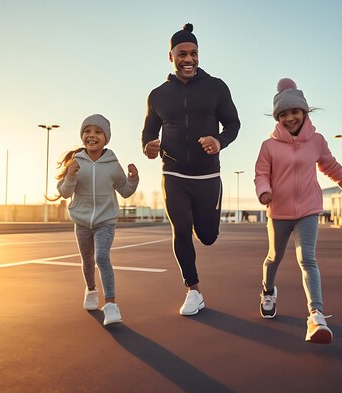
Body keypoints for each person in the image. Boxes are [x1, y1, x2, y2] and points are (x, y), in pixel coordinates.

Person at [254, 78, 342, 344]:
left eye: (295, 112)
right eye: (284, 114)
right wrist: (263, 191)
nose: (290, 118)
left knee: (308, 260)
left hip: (308, 210)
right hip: (278, 212)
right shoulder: (268, 146)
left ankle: (316, 316)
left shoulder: (316, 141)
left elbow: (332, 168)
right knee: (274, 258)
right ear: (277, 117)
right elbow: (261, 173)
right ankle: (268, 291)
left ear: (304, 112)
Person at [141, 23, 241, 316]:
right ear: (170, 56)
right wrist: (148, 145)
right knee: (181, 230)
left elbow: (233, 124)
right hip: (173, 173)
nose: (189, 59)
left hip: (207, 174)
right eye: (182, 53)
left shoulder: (216, 87)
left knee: (207, 236)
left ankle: (206, 226)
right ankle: (193, 291)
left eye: (194, 53)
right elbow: (148, 132)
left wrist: (218, 141)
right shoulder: (157, 95)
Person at [53, 114, 139, 326]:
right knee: (87, 260)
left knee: (102, 257)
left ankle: (110, 305)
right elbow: (64, 192)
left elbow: (125, 191)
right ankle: (91, 290)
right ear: (82, 136)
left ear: (106, 138)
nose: (91, 135)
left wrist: (133, 179)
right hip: (81, 222)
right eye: (87, 131)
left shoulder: (112, 164)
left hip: (105, 221)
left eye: (97, 132)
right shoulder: (76, 162)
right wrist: (71, 175)